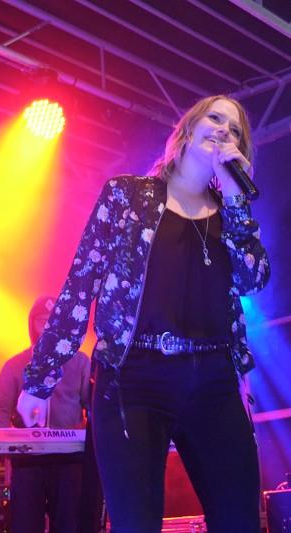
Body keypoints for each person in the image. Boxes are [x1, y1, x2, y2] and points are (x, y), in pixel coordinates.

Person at [17, 95, 270, 532]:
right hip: (133, 376)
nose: (224, 131)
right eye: (215, 118)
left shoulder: (231, 216)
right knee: (136, 522)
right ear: (187, 129)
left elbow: (254, 279)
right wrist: (39, 380)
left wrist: (235, 202)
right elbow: (81, 284)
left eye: (235, 130)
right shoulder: (127, 196)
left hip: (213, 378)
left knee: (240, 520)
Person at [0, 296, 91, 533]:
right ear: (31, 325)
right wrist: (4, 441)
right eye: (42, 321)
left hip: (69, 460)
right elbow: (0, 410)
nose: (47, 326)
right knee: (26, 524)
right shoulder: (15, 365)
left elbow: (93, 406)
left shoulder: (80, 362)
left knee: (69, 525)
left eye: (53, 320)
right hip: (28, 460)